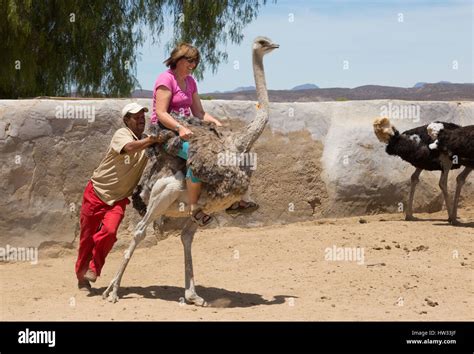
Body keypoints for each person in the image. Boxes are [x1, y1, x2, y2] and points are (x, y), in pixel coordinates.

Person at [151, 43, 258, 226]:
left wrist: (215, 122)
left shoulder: (191, 82)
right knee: (198, 156)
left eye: (195, 62)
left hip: (189, 127)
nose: (192, 65)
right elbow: (161, 113)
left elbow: (199, 112)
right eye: (189, 61)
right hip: (166, 131)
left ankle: (234, 199)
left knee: (231, 150)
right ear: (177, 60)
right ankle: (194, 208)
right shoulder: (166, 79)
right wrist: (179, 128)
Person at [75, 103, 162, 291]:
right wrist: (153, 140)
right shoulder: (122, 135)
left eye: (142, 116)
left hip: (118, 199)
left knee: (109, 232)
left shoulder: (148, 140)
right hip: (96, 192)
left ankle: (93, 269)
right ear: (126, 120)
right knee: (87, 239)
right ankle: (81, 277)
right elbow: (129, 148)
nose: (140, 119)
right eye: (135, 116)